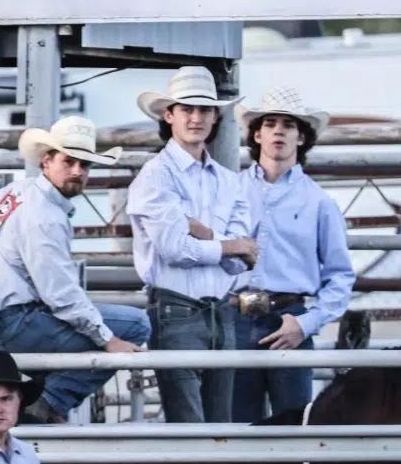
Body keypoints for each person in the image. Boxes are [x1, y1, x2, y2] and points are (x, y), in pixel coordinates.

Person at [0, 115, 149, 422]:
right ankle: (48, 402)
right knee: (136, 325)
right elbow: (60, 293)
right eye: (70, 162)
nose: (78, 172)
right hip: (21, 322)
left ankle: (38, 399)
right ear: (47, 161)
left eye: (85, 165)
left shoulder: (18, 193)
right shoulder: (45, 216)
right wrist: (108, 340)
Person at [126, 66, 257, 424]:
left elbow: (239, 261)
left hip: (218, 308)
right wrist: (230, 245)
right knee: (191, 427)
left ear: (215, 117)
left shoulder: (230, 182)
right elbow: (175, 250)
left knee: (218, 426)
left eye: (204, 110)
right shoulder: (155, 175)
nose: (196, 118)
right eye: (187, 109)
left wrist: (206, 236)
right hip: (176, 309)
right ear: (169, 116)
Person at [230, 86, 356, 420]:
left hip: (290, 320)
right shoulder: (228, 191)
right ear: (256, 134)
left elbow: (341, 276)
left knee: (294, 427)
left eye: (288, 125)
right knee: (235, 430)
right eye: (270, 123)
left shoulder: (319, 203)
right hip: (234, 318)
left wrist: (306, 323)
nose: (278, 131)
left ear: (301, 138)